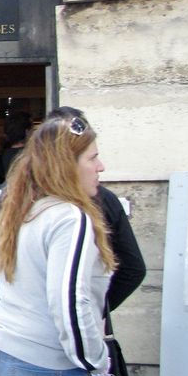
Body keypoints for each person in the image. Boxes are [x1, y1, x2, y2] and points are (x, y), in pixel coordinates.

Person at [0, 113, 116, 376]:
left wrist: (15, 329)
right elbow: (70, 302)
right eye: (92, 158)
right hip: (54, 372)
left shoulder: (21, 208)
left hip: (6, 358)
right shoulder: (70, 217)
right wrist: (95, 363)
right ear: (68, 165)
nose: (101, 167)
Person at [46, 107, 146, 311]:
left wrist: (95, 310)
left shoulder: (19, 199)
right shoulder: (26, 201)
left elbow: (132, 268)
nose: (100, 166)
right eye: (91, 158)